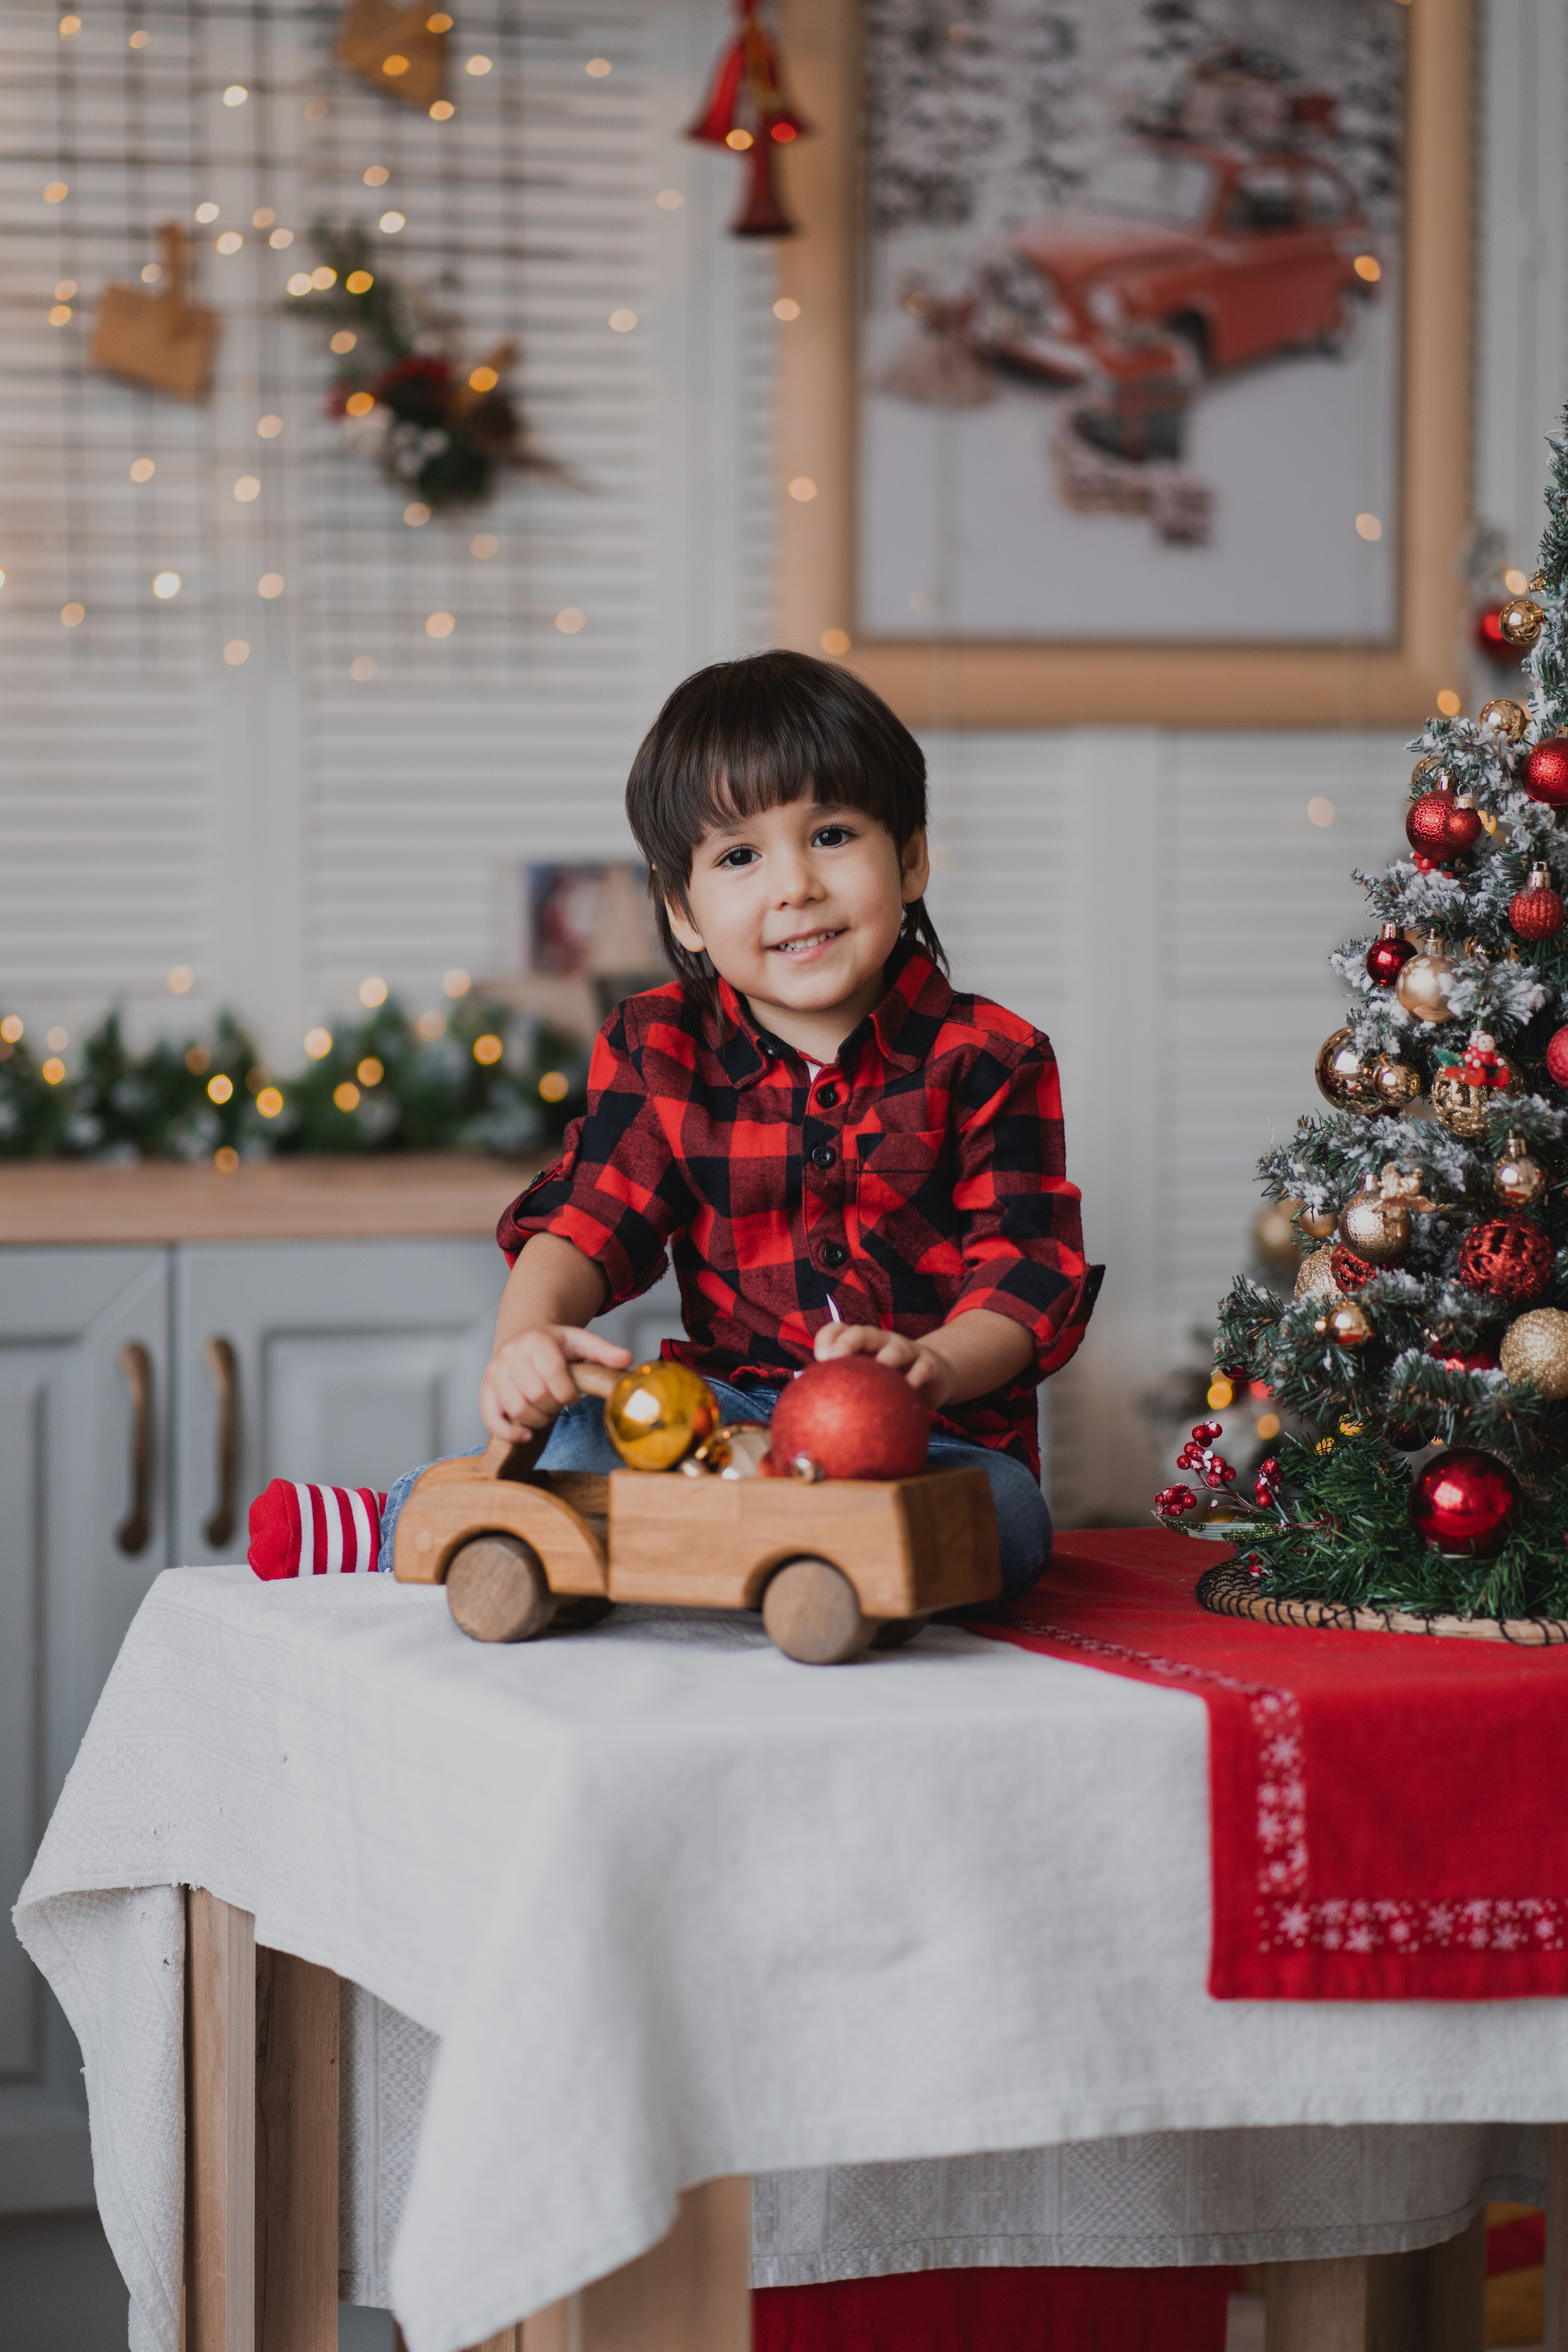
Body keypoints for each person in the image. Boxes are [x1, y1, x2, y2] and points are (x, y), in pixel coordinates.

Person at [421, 647, 1098, 1607]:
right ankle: (411, 1517)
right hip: (721, 1422)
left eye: (831, 835)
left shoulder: (990, 1056)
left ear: (910, 858)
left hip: (924, 1435)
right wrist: (526, 1342)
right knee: (569, 1439)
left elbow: (1025, 1276)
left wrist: (932, 1368)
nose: (795, 887)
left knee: (1008, 1518)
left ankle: (768, 1569)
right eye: (740, 857)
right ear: (683, 911)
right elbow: (585, 1224)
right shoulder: (659, 1047)